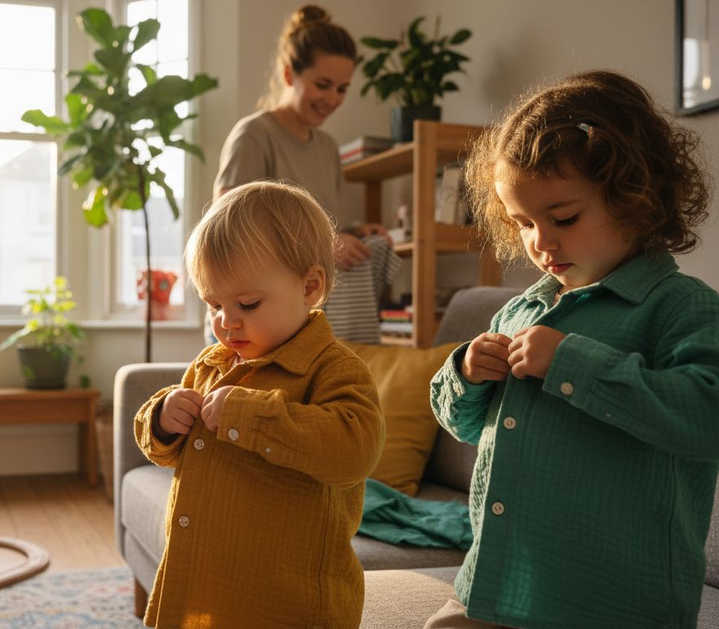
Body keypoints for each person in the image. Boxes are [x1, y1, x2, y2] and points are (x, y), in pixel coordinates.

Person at [427, 70, 719, 628]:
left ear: (636, 194)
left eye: (563, 218)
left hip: (614, 607)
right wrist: (466, 372)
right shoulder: (519, 311)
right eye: (523, 223)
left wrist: (573, 363)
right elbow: (462, 424)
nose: (540, 242)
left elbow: (706, 416)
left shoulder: (681, 307)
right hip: (492, 591)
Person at [134, 181, 385, 627]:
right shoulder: (212, 363)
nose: (226, 322)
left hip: (290, 604)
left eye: (247, 303)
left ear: (310, 287)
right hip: (201, 591)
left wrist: (254, 417)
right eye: (213, 304)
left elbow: (356, 450)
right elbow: (167, 452)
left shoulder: (334, 368)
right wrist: (163, 418)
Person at [212, 4, 399, 344]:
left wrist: (356, 233)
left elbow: (324, 223)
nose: (332, 98)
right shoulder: (254, 135)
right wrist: (328, 246)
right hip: (252, 316)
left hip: (303, 311)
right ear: (288, 76)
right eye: (323, 84)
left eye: (342, 89)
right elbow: (228, 230)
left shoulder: (327, 147)